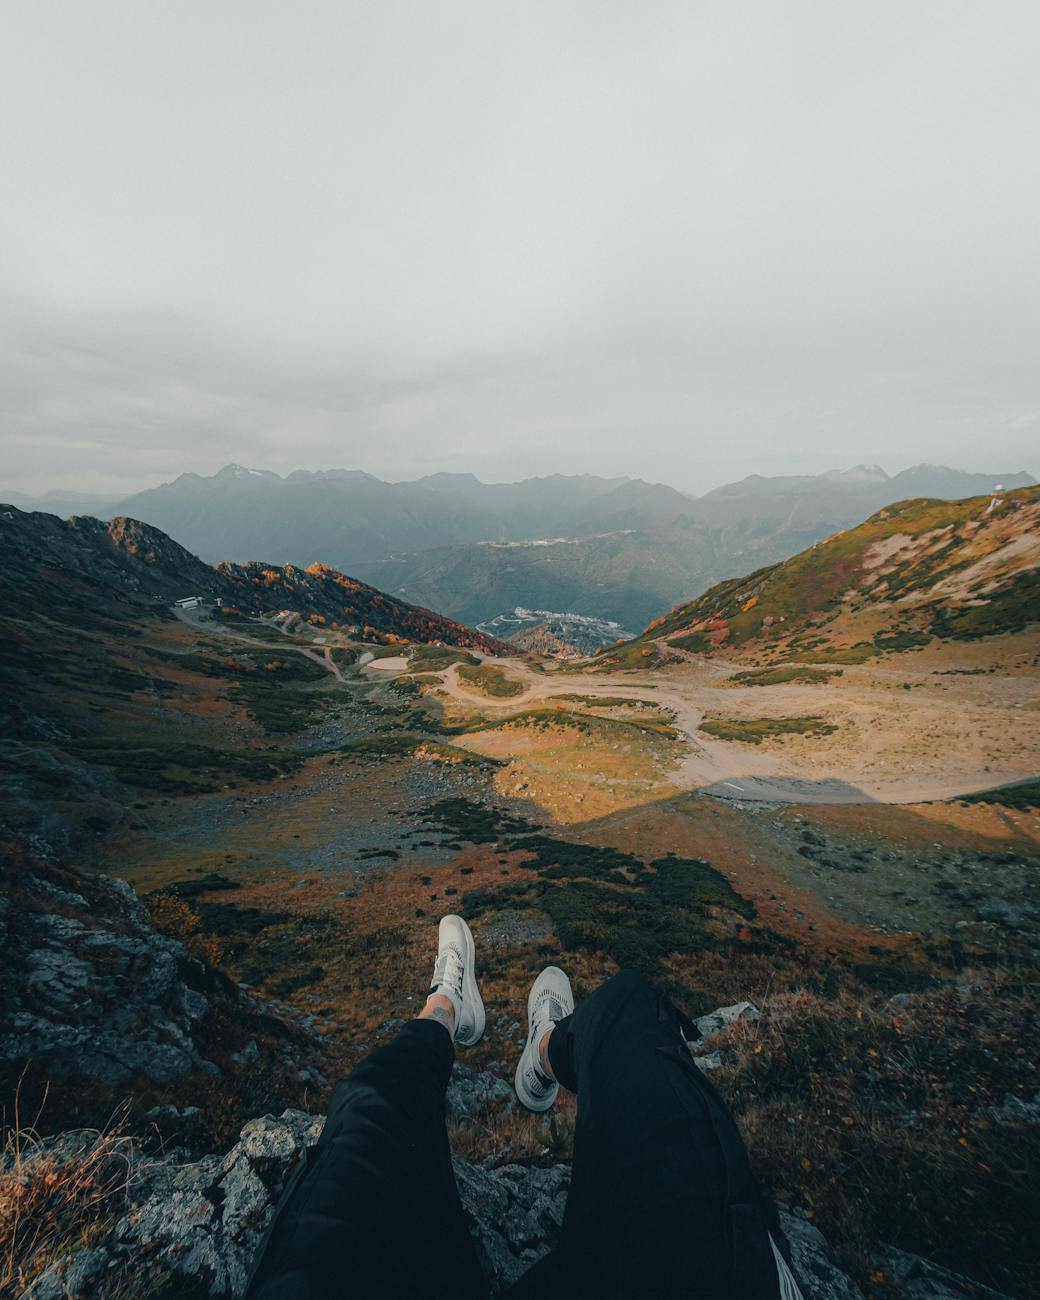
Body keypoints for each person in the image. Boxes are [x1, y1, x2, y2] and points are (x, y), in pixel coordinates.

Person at [246, 915, 803, 1299]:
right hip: (711, 1272)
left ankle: (446, 1004)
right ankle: (543, 1048)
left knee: (368, 1112)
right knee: (627, 1004)